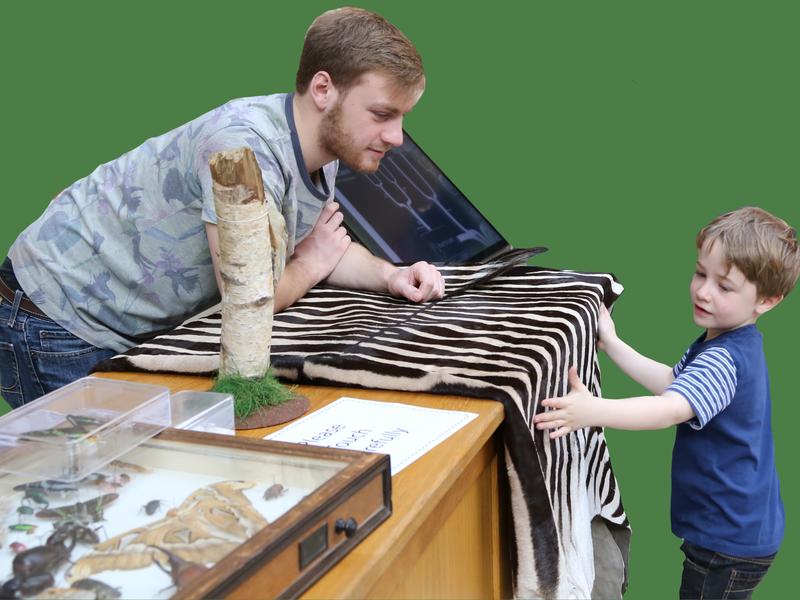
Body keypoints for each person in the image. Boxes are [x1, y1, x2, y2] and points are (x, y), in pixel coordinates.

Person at [0, 7, 444, 409]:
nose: (397, 137)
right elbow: (252, 295)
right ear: (323, 89)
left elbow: (325, 244)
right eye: (383, 114)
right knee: (86, 488)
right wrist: (307, 266)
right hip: (55, 317)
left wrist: (391, 276)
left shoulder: (319, 152)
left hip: (116, 322)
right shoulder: (242, 147)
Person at [533, 206, 799, 599]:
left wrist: (593, 410)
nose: (703, 291)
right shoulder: (724, 341)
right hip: (734, 531)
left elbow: (670, 408)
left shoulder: (725, 358)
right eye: (700, 273)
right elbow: (674, 384)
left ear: (767, 300)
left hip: (728, 543)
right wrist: (614, 345)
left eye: (724, 286)